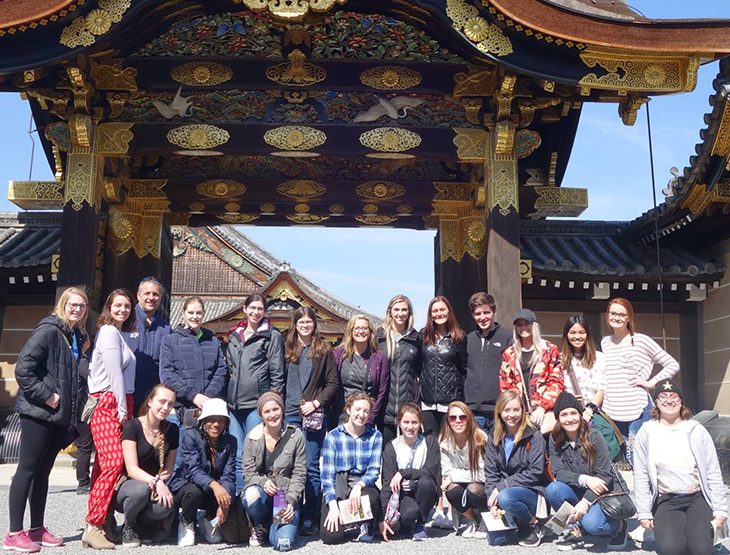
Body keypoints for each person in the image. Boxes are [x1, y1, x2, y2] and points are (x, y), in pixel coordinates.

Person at [4, 287, 90, 553]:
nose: (77, 309)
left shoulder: (75, 335)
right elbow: (23, 368)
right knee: (27, 470)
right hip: (38, 412)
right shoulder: (49, 330)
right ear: (62, 304)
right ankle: (13, 533)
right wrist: (46, 396)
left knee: (43, 472)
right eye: (73, 304)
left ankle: (37, 528)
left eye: (82, 305)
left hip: (59, 415)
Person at [633, 379, 727, 555]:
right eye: (663, 396)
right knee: (672, 549)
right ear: (656, 402)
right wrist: (644, 511)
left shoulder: (695, 430)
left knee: (701, 549)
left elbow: (713, 470)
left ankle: (704, 538)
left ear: (681, 400)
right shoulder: (646, 432)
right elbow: (641, 474)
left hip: (697, 498)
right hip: (666, 500)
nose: (669, 400)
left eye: (673, 396)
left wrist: (720, 508)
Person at [84, 288, 137, 550]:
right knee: (114, 462)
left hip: (118, 400)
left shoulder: (119, 334)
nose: (122, 310)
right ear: (109, 307)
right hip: (109, 402)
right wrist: (122, 409)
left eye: (127, 306)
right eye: (118, 305)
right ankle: (93, 523)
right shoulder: (108, 332)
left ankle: (101, 519)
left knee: (103, 465)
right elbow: (115, 373)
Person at [545, 392, 628, 551]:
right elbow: (558, 473)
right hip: (579, 487)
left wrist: (586, 502)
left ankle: (619, 526)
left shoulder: (594, 436)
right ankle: (573, 532)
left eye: (573, 413)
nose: (569, 419)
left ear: (580, 414)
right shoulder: (554, 438)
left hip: (602, 491)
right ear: (558, 419)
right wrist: (585, 479)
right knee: (553, 489)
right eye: (564, 415)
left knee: (593, 525)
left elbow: (605, 476)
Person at [601, 298, 679, 465]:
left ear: (629, 317)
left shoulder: (641, 340)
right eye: (613, 313)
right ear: (607, 316)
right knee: (619, 461)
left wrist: (651, 382)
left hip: (637, 406)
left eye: (622, 314)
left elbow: (672, 364)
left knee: (639, 457)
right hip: (611, 407)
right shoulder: (605, 342)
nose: (617, 317)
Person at [283, 307, 339, 536]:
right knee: (285, 466)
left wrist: (316, 403)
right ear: (294, 324)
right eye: (301, 322)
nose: (305, 325)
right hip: (288, 413)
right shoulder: (285, 347)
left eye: (309, 322)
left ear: (315, 325)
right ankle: (285, 514)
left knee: (311, 466)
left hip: (313, 414)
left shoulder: (323, 350)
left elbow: (332, 384)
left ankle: (309, 516)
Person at [226, 293, 285, 493]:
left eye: (260, 309)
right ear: (245, 309)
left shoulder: (271, 335)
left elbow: (277, 372)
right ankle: (236, 498)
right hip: (233, 405)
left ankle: (251, 497)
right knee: (236, 452)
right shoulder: (234, 335)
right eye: (252, 308)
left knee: (252, 453)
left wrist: (272, 403)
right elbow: (229, 369)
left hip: (256, 405)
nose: (256, 312)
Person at [159, 297, 227, 467]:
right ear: (183, 313)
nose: (194, 316)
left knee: (206, 456)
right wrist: (193, 395)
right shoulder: (171, 340)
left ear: (204, 314)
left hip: (207, 407)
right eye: (191, 312)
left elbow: (221, 370)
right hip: (182, 407)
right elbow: (167, 374)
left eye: (198, 313)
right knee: (180, 457)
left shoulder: (212, 340)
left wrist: (207, 396)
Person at [114, 384, 178, 548]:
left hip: (156, 484)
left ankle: (143, 524)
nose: (165, 407)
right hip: (130, 486)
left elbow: (168, 469)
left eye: (170, 404)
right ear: (150, 401)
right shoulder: (132, 426)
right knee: (140, 491)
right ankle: (129, 525)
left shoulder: (172, 430)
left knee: (167, 504)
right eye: (162, 401)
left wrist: (161, 482)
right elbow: (132, 468)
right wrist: (155, 483)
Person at [242, 391, 306, 551]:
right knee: (251, 496)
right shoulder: (252, 437)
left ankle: (273, 527)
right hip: (263, 494)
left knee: (283, 544)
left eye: (275, 409)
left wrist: (291, 501)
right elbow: (248, 474)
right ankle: (260, 522)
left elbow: (299, 473)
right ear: (261, 415)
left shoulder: (296, 436)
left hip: (283, 497)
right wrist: (263, 482)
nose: (272, 415)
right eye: (267, 411)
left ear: (282, 410)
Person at [170, 397, 236, 546]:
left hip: (212, 487)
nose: (216, 424)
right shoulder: (190, 435)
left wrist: (225, 501)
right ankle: (186, 521)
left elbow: (229, 475)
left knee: (227, 494)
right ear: (203, 421)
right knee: (195, 491)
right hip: (187, 484)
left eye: (221, 420)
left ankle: (208, 517)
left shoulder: (231, 441)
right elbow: (193, 470)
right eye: (211, 420)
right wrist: (215, 485)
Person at [485, 390, 548, 547]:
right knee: (496, 541)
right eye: (506, 410)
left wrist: (501, 487)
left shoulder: (534, 435)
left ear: (523, 411)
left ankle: (533, 522)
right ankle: (518, 523)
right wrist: (492, 502)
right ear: (499, 411)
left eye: (516, 410)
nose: (511, 415)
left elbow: (535, 472)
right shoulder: (494, 435)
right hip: (503, 494)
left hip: (531, 491)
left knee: (506, 497)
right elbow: (491, 472)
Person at [320, 392, 383, 545]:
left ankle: (365, 522)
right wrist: (333, 506)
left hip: (362, 487)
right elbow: (327, 477)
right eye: (358, 409)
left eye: (366, 411)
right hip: (339, 486)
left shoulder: (375, 436)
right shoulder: (333, 437)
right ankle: (347, 518)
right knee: (331, 537)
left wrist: (358, 486)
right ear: (348, 410)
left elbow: (374, 470)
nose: (361, 415)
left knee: (372, 498)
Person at [379, 402, 440, 542]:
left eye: (414, 422)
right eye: (406, 422)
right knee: (409, 513)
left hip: (425, 490)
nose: (410, 427)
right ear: (399, 423)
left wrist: (404, 473)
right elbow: (388, 483)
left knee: (426, 482)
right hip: (404, 493)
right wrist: (382, 519)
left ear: (420, 423)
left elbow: (430, 471)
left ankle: (421, 523)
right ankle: (406, 524)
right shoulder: (392, 447)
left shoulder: (429, 441)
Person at [500, 308, 563, 434]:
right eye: (519, 324)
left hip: (543, 412)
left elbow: (556, 382)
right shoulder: (510, 353)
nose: (523, 327)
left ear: (534, 325)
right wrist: (514, 408)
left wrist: (542, 407)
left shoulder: (549, 350)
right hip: (519, 413)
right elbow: (505, 384)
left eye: (527, 323)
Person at [439, 401, 489, 539]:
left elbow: (484, 474)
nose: (458, 421)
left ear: (469, 418)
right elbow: (446, 474)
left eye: (462, 417)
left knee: (473, 489)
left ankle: (486, 519)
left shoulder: (480, 438)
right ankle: (473, 520)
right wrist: (453, 477)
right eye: (453, 418)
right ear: (448, 421)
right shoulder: (444, 442)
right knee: (452, 490)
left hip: (481, 485)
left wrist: (455, 475)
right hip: (461, 484)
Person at [377, 295, 422, 446]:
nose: (400, 313)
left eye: (404, 310)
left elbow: (420, 370)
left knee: (409, 453)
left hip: (408, 405)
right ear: (390, 312)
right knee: (387, 452)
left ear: (409, 313)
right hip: (385, 406)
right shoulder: (379, 339)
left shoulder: (416, 340)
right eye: (396, 309)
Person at [465, 293, 512, 435]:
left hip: (498, 408)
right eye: (478, 314)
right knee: (477, 452)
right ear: (473, 315)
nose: (482, 317)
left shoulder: (507, 337)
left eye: (486, 312)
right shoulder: (469, 339)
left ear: (494, 311)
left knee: (498, 452)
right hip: (474, 409)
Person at [419, 296, 467, 436]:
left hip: (450, 403)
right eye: (435, 311)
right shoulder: (423, 336)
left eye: (442, 309)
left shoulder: (459, 337)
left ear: (449, 311)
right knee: (431, 445)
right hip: (427, 403)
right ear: (430, 314)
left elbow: (464, 368)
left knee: (449, 443)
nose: (439, 313)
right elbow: (419, 365)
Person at [122, 276, 171, 414]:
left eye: (155, 294)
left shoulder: (165, 328)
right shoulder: (125, 320)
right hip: (126, 395)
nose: (151, 297)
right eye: (147, 293)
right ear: (138, 296)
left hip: (151, 400)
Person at [332, 314, 389, 427]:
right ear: (351, 331)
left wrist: (371, 417)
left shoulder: (379, 358)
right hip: (342, 414)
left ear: (370, 332)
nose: (361, 331)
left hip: (365, 416)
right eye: (357, 328)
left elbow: (382, 391)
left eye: (364, 328)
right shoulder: (338, 354)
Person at [560, 315, 606, 417]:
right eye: (572, 333)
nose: (577, 337)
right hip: (569, 415)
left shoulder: (599, 358)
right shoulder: (559, 359)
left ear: (588, 334)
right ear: (566, 335)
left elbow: (601, 389)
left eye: (581, 332)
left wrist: (589, 411)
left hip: (592, 414)